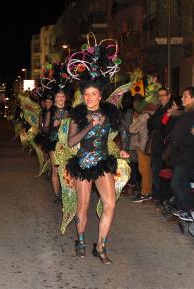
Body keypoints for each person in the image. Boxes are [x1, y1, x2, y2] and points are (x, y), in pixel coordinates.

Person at [65, 38, 129, 264]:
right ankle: (80, 239)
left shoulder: (110, 113)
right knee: (82, 207)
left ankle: (100, 245)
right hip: (82, 163)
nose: (89, 97)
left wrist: (121, 150)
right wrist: (88, 127)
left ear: (100, 95)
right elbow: (71, 142)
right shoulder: (78, 114)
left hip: (102, 162)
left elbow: (117, 134)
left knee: (110, 204)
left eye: (93, 94)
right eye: (86, 94)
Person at [168, 87, 194, 221]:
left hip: (186, 155)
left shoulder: (192, 114)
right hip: (179, 155)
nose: (182, 99)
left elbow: (190, 136)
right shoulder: (185, 113)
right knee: (182, 183)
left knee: (176, 183)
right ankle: (186, 209)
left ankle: (187, 209)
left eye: (185, 96)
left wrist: (179, 143)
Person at [42, 89, 70, 203]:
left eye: (62, 96)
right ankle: (57, 195)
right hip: (54, 143)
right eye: (58, 96)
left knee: (67, 170)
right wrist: (53, 126)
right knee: (56, 170)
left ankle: (67, 192)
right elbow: (44, 129)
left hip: (67, 143)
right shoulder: (50, 112)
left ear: (65, 98)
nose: (60, 98)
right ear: (55, 99)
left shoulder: (71, 111)